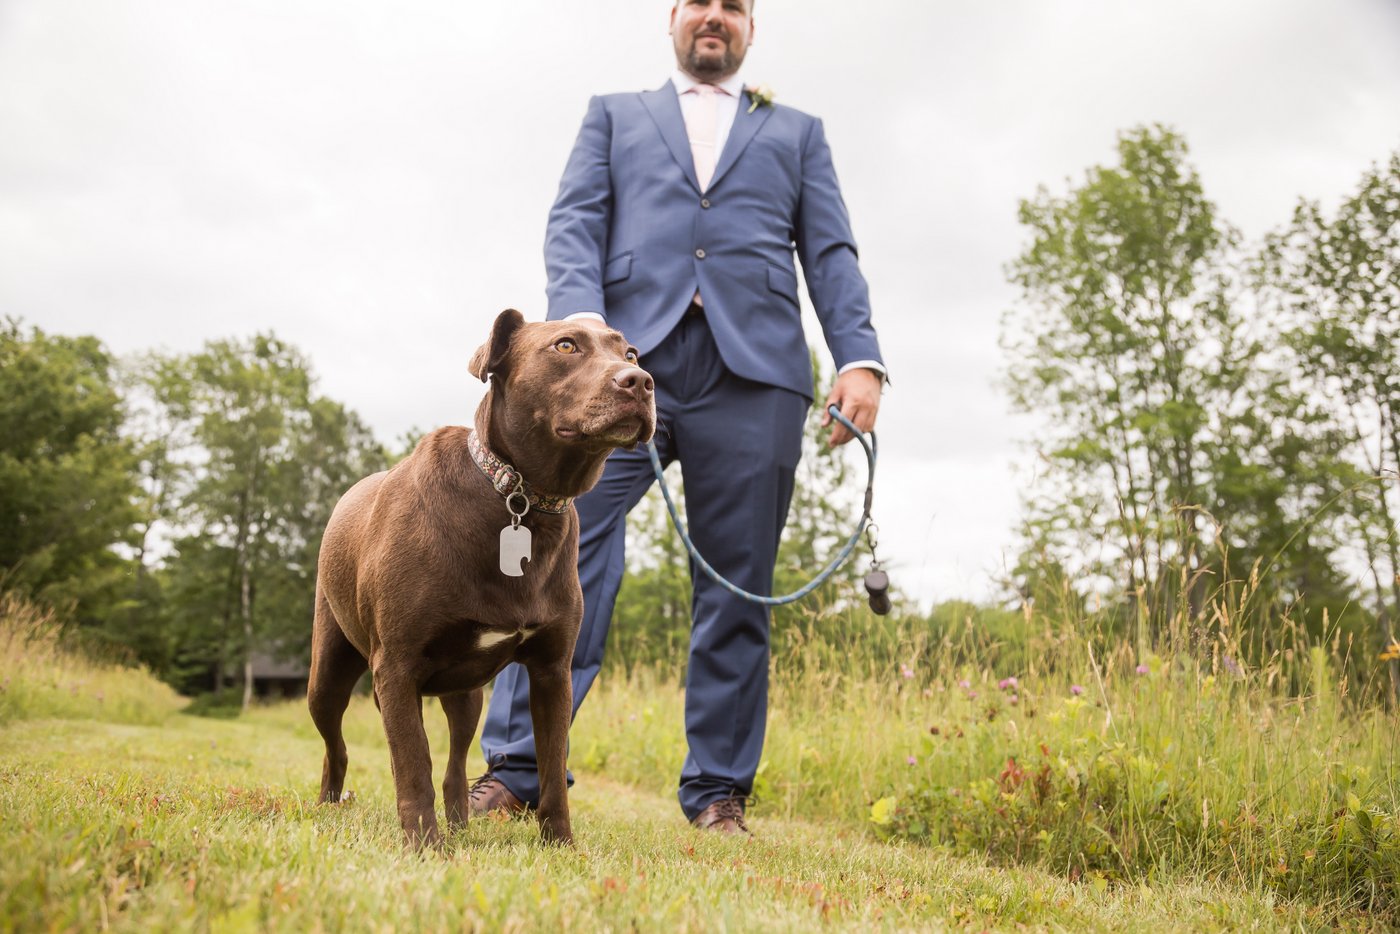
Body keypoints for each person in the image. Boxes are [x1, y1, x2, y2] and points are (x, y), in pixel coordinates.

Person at [472, 0, 885, 834]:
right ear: (674, 18)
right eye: (701, 3)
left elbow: (830, 251)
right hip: (621, 373)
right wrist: (585, 341)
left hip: (758, 375)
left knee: (738, 586)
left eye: (733, 7)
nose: (715, 16)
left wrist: (859, 358)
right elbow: (574, 222)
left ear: (749, 29)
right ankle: (517, 770)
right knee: (559, 562)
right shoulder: (614, 116)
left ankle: (719, 791)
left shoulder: (796, 132)